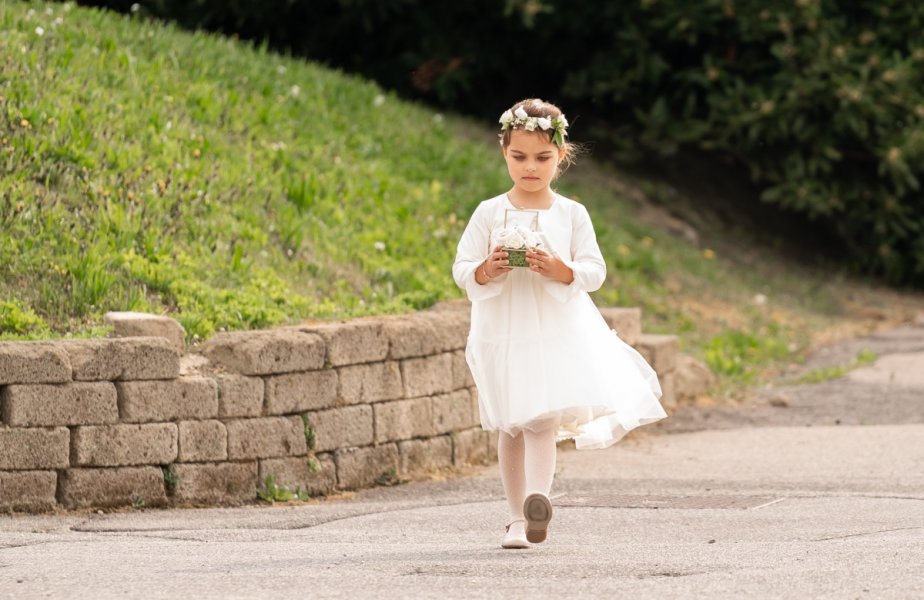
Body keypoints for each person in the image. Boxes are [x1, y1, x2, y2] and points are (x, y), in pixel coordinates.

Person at [452, 98, 667, 549]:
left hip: (552, 331)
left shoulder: (571, 214)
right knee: (511, 423)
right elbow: (462, 267)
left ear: (561, 156)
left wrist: (561, 269)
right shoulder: (489, 212)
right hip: (503, 329)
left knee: (540, 420)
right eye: (519, 157)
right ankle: (515, 518)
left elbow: (594, 270)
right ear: (504, 153)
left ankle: (536, 501)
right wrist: (487, 268)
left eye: (543, 158)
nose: (531, 167)